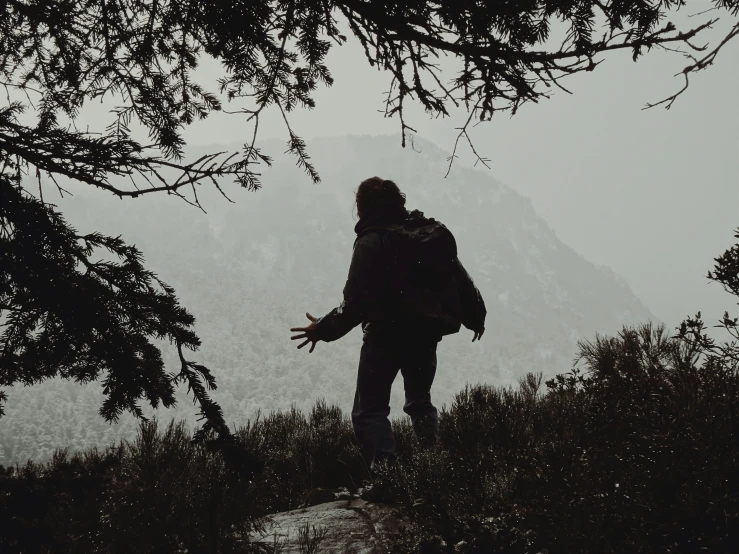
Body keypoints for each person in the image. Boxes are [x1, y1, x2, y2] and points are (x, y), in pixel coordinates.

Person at [290, 176, 486, 473]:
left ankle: (388, 478)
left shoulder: (371, 241)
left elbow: (354, 303)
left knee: (369, 411)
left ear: (364, 206)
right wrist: (476, 315)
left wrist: (323, 329)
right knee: (420, 402)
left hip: (385, 335)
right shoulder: (426, 235)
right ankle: (434, 472)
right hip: (424, 333)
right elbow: (458, 275)